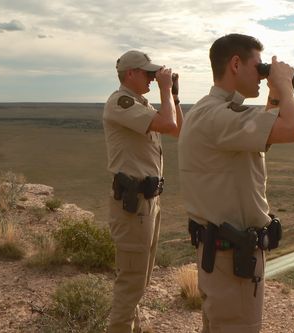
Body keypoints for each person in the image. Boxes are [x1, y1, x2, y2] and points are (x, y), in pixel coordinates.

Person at [178, 33, 294, 333]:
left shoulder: (210, 110)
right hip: (232, 263)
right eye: (259, 67)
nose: (263, 76)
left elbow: (262, 133)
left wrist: (274, 93)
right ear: (235, 64)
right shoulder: (219, 117)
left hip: (222, 257)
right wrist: (286, 85)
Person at [103, 50, 183, 333]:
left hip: (149, 202)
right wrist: (162, 87)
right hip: (133, 204)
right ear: (130, 74)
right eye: (147, 73)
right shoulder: (121, 102)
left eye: (154, 74)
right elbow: (169, 124)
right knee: (131, 282)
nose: (151, 78)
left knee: (141, 279)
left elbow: (177, 129)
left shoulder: (141, 104)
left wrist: (171, 94)